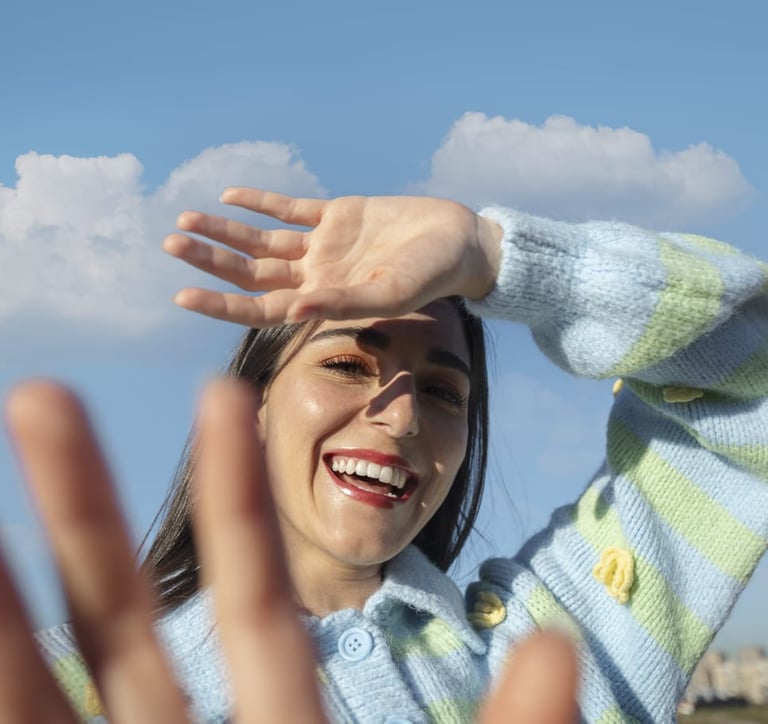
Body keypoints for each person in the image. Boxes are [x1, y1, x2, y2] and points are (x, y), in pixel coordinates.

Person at [15, 189, 768, 721]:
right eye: (347, 366)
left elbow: (751, 373)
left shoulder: (561, 642)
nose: (403, 415)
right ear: (252, 409)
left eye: (445, 393)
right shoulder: (72, 686)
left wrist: (496, 257)